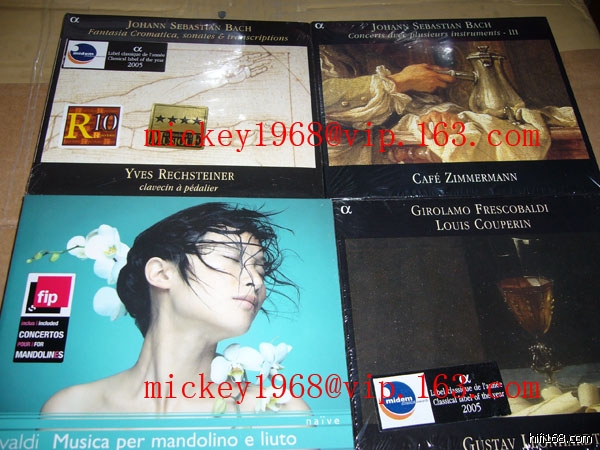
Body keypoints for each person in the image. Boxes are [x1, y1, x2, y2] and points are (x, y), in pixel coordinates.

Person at [41, 202, 309, 414]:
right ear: (160, 273)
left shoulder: (276, 410)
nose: (256, 281)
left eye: (259, 269)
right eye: (232, 258)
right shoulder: (70, 410)